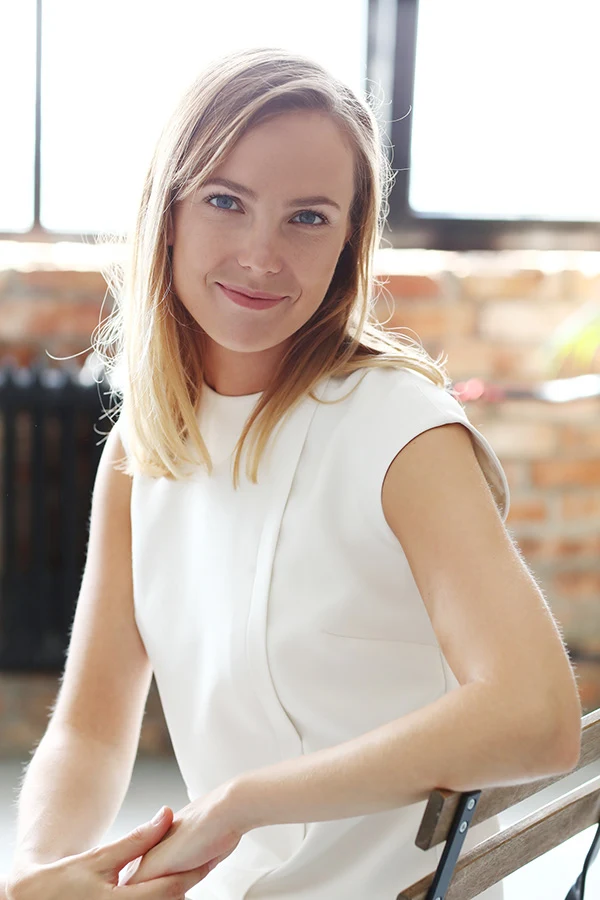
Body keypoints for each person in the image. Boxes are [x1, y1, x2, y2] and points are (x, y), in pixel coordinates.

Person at [5, 47, 581, 900]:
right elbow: (90, 728)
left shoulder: (402, 430)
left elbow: (536, 716)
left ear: (349, 241)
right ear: (169, 213)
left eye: (307, 217)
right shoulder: (141, 448)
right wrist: (41, 871)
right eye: (225, 201)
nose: (261, 254)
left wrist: (244, 803)